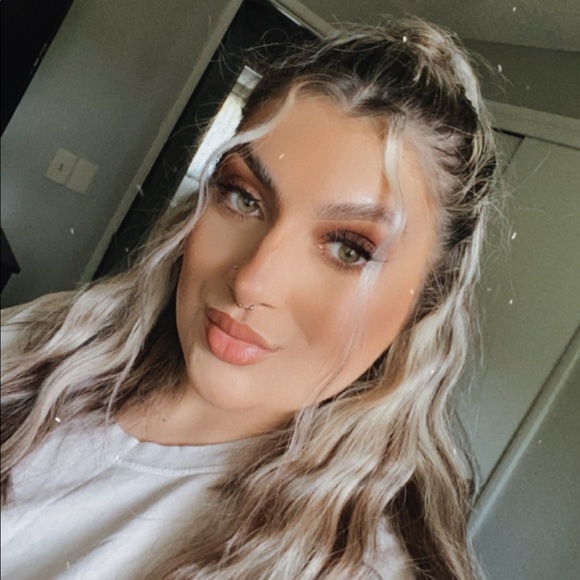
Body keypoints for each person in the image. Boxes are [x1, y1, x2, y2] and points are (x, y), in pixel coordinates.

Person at [1, 16, 496, 580]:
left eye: (349, 249)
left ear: (427, 301)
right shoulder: (37, 345)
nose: (251, 282)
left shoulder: (355, 568)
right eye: (244, 198)